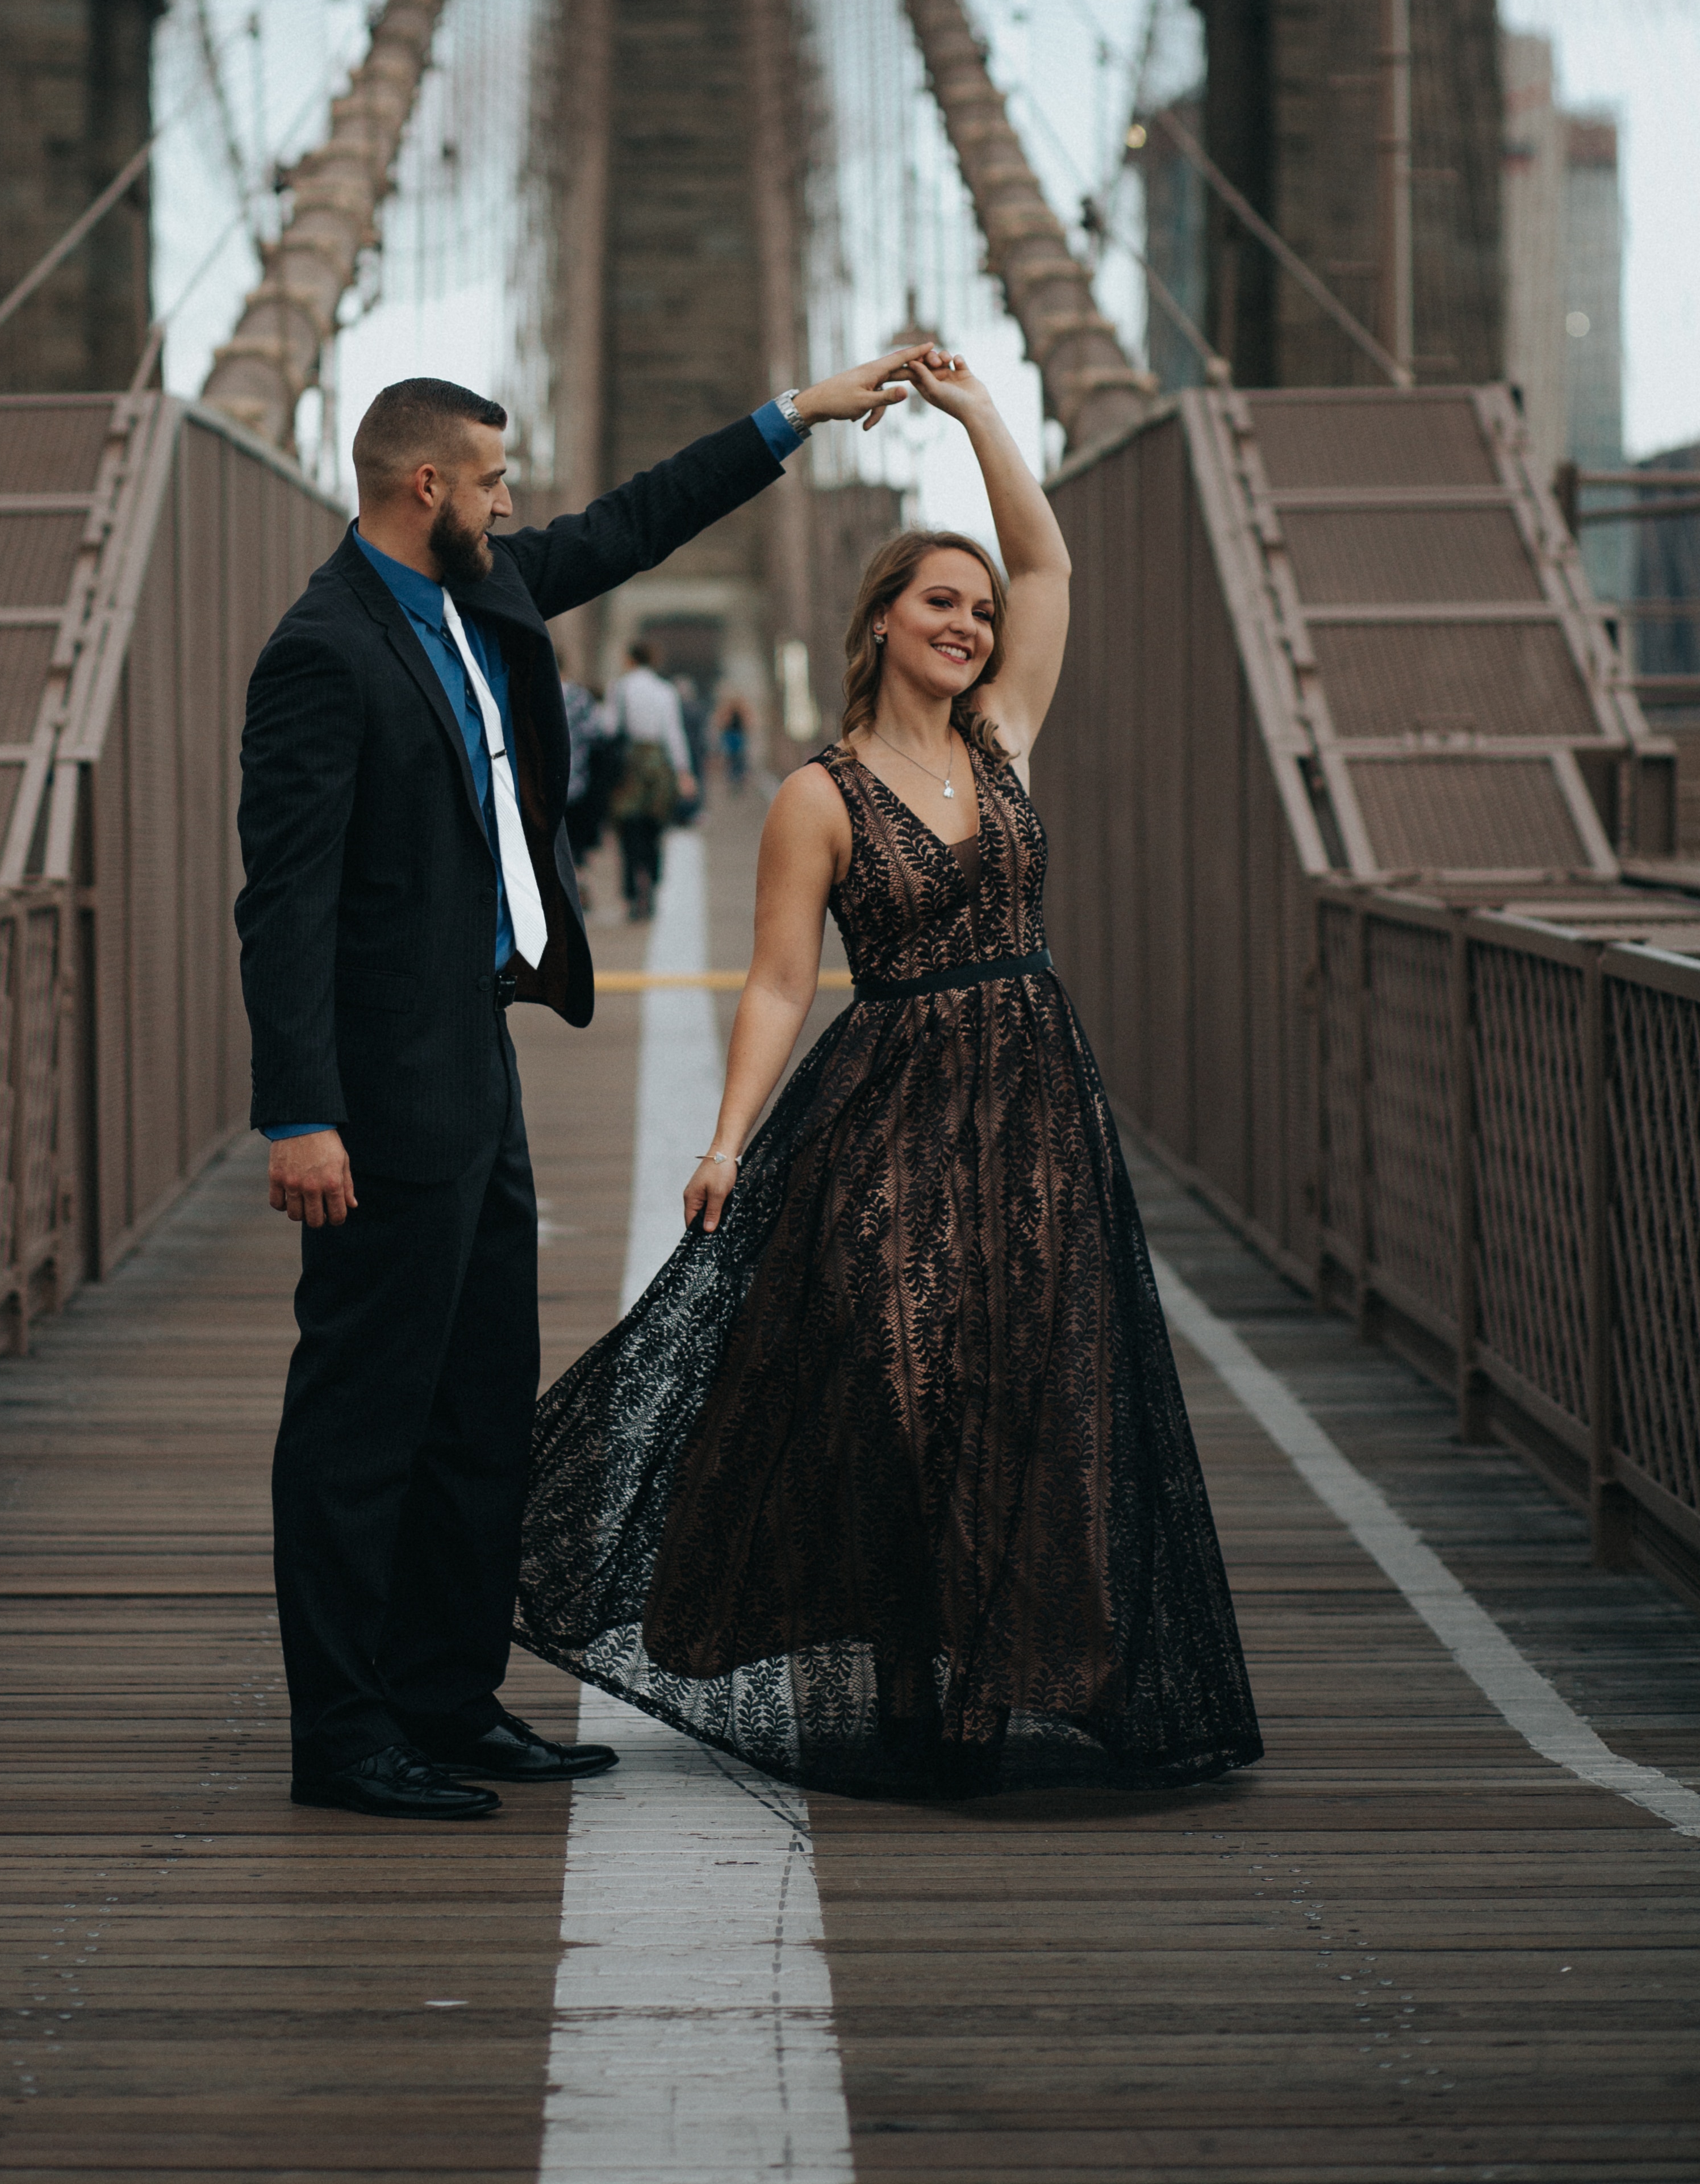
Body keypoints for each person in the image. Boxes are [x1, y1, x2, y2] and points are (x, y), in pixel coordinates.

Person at [518, 348, 1264, 1803]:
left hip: (1039, 1112)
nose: (972, 625)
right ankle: (918, 1680)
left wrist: (979, 413)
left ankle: (1002, 1683)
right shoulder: (816, 794)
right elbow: (785, 980)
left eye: (978, 612)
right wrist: (729, 1139)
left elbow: (1045, 566)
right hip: (894, 1117)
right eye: (941, 601)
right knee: (915, 1399)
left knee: (1035, 1396)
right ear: (880, 619)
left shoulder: (1003, 742)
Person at [237, 352, 926, 1821]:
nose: (514, 500)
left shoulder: (480, 594)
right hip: (375, 1086)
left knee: (481, 1400)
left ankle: (445, 1695)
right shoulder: (324, 651)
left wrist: (795, 417)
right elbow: (281, 903)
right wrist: (299, 1112)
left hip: (475, 1062)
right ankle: (345, 1735)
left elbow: (632, 525)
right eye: (493, 481)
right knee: (367, 1411)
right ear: (428, 488)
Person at [603, 640, 692, 921]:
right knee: (654, 829)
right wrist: (684, 773)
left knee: (628, 832)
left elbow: (609, 727)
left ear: (630, 659)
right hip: (658, 767)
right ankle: (651, 887)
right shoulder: (665, 691)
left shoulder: (620, 688)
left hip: (629, 766)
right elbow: (674, 734)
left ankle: (631, 896)